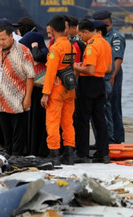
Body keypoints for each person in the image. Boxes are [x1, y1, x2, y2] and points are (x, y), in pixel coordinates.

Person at [0, 25, 35, 157]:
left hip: (18, 98)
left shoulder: (24, 51)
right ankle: (8, 152)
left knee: (19, 131)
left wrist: (28, 98)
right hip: (3, 98)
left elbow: (30, 76)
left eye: (3, 39)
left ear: (11, 36)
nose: (1, 42)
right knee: (6, 130)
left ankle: (17, 155)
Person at [73, 19, 112, 163]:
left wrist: (76, 67)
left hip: (88, 83)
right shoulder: (105, 43)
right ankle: (103, 153)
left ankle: (82, 153)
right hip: (100, 82)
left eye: (80, 35)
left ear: (86, 32)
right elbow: (109, 68)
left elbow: (90, 69)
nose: (80, 38)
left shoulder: (91, 46)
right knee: (99, 119)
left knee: (82, 119)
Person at [40, 15, 76, 165]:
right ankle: (69, 154)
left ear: (53, 30)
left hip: (56, 88)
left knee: (53, 121)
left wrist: (45, 93)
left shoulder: (56, 48)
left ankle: (53, 154)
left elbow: (51, 72)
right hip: (70, 87)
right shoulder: (71, 45)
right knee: (68, 122)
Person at [93, 9, 126, 144]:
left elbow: (118, 58)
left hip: (113, 75)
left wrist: (112, 76)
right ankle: (101, 140)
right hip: (102, 74)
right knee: (102, 108)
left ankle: (116, 139)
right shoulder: (100, 36)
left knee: (113, 106)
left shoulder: (115, 37)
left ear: (105, 22)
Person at [19, 31, 49, 157]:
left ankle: (39, 150)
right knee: (30, 123)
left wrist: (35, 47)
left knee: (39, 123)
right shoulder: (28, 55)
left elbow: (38, 56)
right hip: (31, 92)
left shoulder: (43, 53)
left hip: (40, 93)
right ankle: (31, 149)